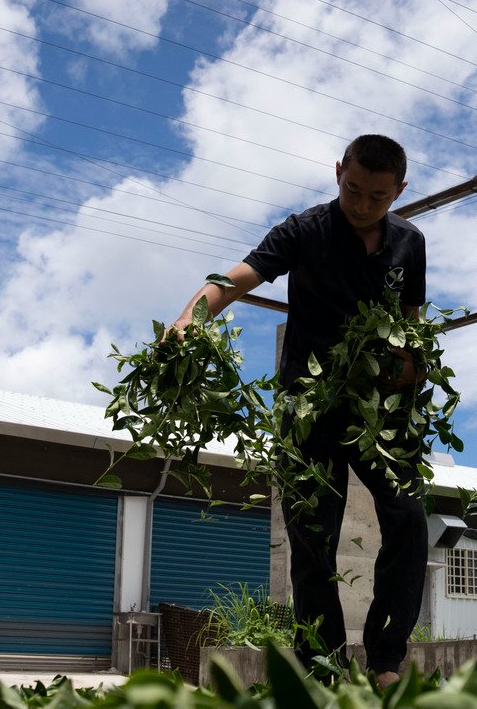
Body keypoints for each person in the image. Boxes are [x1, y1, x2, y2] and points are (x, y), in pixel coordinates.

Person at [166, 134, 428, 689]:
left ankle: (385, 662)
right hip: (308, 413)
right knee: (312, 544)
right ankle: (323, 674)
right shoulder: (303, 230)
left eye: (376, 197)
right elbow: (233, 280)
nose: (361, 205)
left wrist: (408, 366)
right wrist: (192, 319)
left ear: (399, 191)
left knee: (408, 519)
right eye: (352, 189)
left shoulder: (411, 243)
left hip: (379, 414)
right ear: (338, 172)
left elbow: (412, 326)